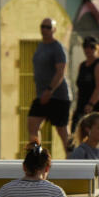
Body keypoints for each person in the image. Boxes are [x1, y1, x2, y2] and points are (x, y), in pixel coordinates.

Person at [28, 18, 72, 152]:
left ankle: (73, 159)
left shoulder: (57, 47)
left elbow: (60, 72)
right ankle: (36, 158)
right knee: (32, 125)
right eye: (43, 26)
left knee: (62, 131)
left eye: (48, 27)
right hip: (41, 95)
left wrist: (50, 90)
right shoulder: (41, 46)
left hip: (58, 96)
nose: (44, 29)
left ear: (54, 29)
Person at [71, 36, 99, 143]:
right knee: (76, 132)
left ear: (98, 49)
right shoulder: (82, 66)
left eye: (92, 47)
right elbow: (80, 88)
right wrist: (78, 106)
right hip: (83, 105)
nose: (88, 49)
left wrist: (90, 104)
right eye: (85, 46)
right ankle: (78, 156)